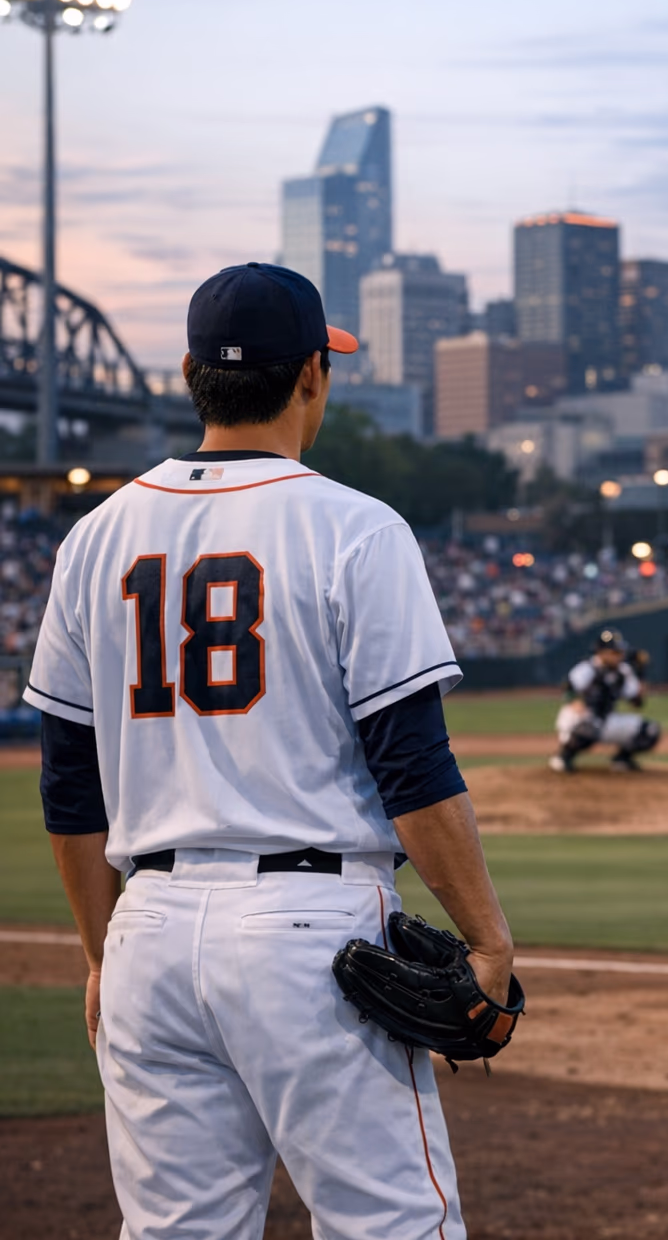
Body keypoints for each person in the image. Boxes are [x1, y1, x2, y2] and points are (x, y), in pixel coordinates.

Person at [27, 261, 513, 1240]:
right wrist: (487, 938)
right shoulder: (355, 528)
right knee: (393, 1228)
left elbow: (70, 787)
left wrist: (99, 951)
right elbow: (412, 771)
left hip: (148, 935)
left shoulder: (94, 537)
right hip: (309, 931)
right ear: (311, 378)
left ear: (187, 374)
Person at [549, 627, 661, 773]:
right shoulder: (588, 668)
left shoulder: (622, 671)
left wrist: (641, 674)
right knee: (589, 725)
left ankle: (622, 760)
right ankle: (563, 758)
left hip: (606, 719)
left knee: (650, 730)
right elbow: (568, 687)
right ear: (601, 652)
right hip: (578, 719)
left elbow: (637, 702)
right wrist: (576, 702)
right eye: (614, 652)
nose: (619, 655)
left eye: (619, 652)